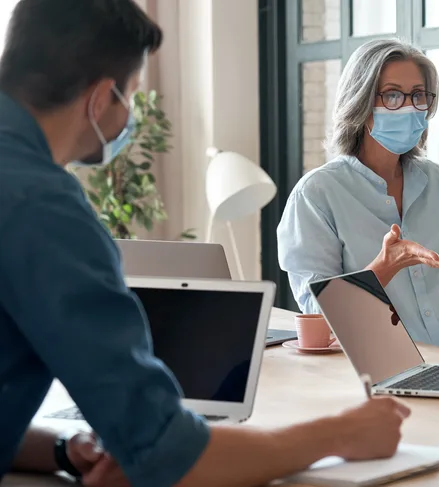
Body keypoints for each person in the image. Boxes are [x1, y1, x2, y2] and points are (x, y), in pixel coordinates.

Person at [0, 1, 410, 486]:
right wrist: (341, 433)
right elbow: (170, 455)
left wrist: (65, 449)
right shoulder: (45, 210)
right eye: (130, 95)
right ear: (100, 99)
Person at [278, 38, 439, 359]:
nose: (409, 107)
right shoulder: (316, 194)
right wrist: (383, 268)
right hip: (386, 365)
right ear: (361, 104)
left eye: (418, 95)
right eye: (393, 95)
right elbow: (320, 317)